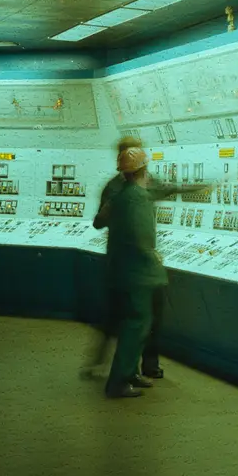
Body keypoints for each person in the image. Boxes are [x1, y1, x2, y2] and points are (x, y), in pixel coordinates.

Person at [84, 135, 180, 380]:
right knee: (130, 319)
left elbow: (166, 189)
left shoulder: (135, 186)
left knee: (141, 319)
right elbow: (100, 222)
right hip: (132, 266)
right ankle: (123, 372)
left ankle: (143, 367)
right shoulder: (119, 191)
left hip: (131, 264)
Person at [102, 146, 170, 399]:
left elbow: (99, 221)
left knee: (135, 325)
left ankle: (130, 373)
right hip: (138, 274)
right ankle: (118, 382)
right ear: (144, 170)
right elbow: (143, 238)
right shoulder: (138, 198)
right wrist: (154, 262)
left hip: (123, 271)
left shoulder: (119, 195)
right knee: (136, 327)